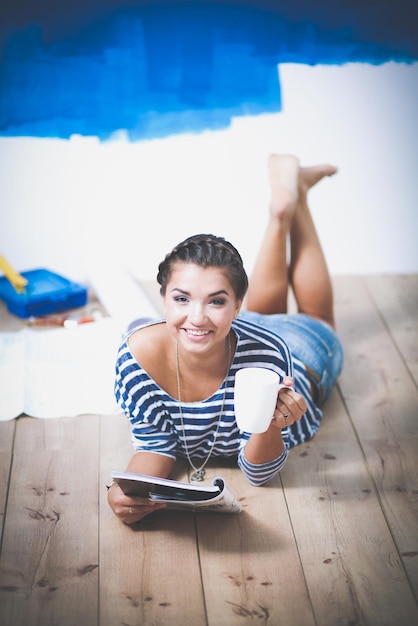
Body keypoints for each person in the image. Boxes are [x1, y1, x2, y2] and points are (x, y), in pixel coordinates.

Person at [108, 154, 344, 524]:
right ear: (164, 298)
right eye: (182, 298)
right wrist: (127, 494)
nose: (196, 315)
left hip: (299, 351)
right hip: (231, 335)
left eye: (216, 300)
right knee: (257, 311)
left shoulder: (268, 353)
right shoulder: (136, 356)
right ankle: (281, 209)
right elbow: (155, 445)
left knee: (316, 315)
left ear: (236, 307)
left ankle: (295, 195)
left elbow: (259, 474)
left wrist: (269, 424)